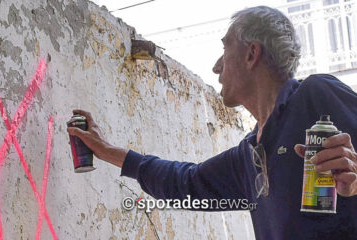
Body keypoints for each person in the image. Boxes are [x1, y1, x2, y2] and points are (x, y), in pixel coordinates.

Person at [67, 6, 357, 239]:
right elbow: (185, 183)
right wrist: (106, 151)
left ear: (251, 54)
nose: (217, 67)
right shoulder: (250, 156)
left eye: (225, 48)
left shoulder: (316, 95)